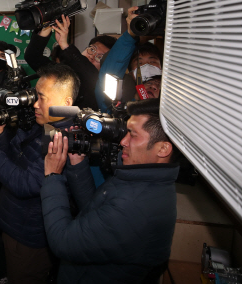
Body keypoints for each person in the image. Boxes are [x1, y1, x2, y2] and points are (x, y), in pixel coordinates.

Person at [40, 98, 178, 283]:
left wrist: (52, 177)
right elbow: (94, 210)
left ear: (163, 148)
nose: (123, 141)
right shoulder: (140, 178)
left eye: (133, 135)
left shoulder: (135, 207)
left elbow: (62, 241)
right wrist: (78, 163)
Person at [0, 63, 80, 284]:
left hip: (28, 236)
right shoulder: (40, 126)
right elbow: (13, 159)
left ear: (66, 103)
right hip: (13, 224)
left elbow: (25, 184)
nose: (35, 104)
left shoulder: (63, 139)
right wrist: (0, 135)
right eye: (35, 96)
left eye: (42, 98)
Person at [25, 15, 116, 109]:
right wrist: (48, 25)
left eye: (100, 57)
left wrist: (65, 45)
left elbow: (89, 72)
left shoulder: (101, 86)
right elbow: (33, 57)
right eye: (92, 49)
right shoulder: (63, 73)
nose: (92, 56)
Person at [95, 7, 163, 113]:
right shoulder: (117, 107)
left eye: (152, 62)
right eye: (140, 63)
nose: (153, 86)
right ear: (131, 73)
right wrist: (130, 35)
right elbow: (110, 72)